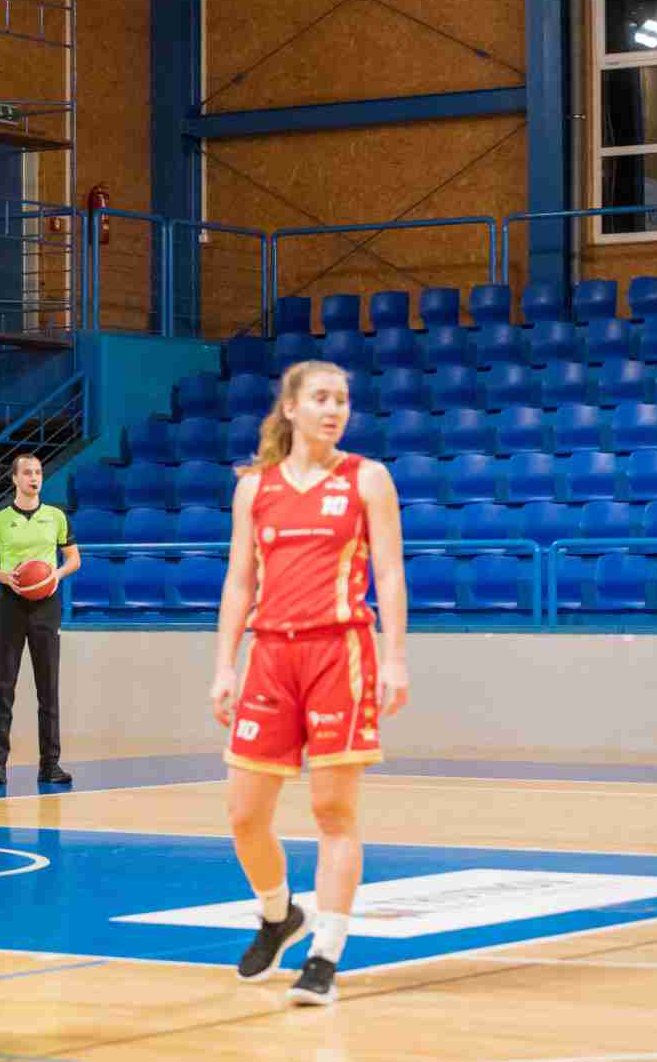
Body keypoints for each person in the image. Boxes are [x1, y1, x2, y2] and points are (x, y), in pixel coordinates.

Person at [209, 360, 409, 1005]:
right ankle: (278, 914)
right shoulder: (255, 487)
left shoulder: (367, 479)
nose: (334, 410)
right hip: (270, 656)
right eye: (321, 398)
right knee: (244, 816)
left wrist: (395, 657)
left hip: (338, 653)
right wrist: (224, 665)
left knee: (333, 812)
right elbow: (239, 580)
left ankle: (325, 954)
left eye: (342, 400)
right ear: (291, 408)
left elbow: (390, 573)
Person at [0, 454, 80, 786]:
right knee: (4, 686)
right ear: (15, 479)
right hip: (11, 605)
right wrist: (5, 577)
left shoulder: (56, 517)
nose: (34, 478)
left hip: (47, 605)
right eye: (28, 473)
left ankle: (50, 765)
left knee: (49, 688)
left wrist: (56, 575)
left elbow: (74, 559)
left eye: (38, 473)